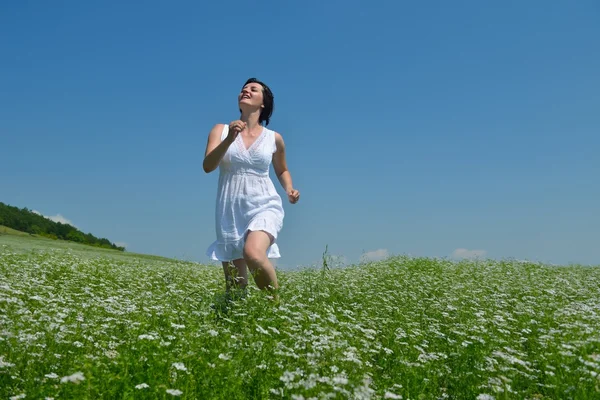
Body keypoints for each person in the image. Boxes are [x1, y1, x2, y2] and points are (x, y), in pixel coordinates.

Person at [203, 78, 300, 300]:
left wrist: (290, 189)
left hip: (264, 204)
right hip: (230, 210)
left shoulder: (274, 138)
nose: (245, 91)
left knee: (253, 253)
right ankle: (241, 325)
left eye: (253, 89)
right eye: (243, 89)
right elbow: (208, 166)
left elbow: (282, 170)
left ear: (263, 102)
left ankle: (276, 310)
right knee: (236, 289)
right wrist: (229, 139)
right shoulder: (220, 130)